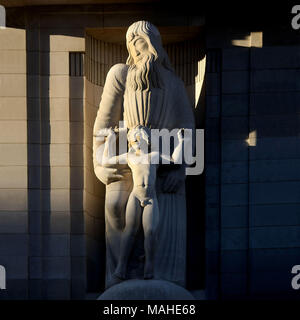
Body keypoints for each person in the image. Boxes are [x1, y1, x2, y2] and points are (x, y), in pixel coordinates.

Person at [93, 20, 195, 288]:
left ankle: (160, 278)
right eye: (136, 42)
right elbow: (103, 128)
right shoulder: (120, 74)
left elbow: (188, 129)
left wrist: (180, 169)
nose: (143, 47)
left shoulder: (173, 82)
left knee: (158, 228)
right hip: (127, 156)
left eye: (147, 40)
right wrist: (100, 164)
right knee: (116, 210)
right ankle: (120, 278)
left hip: (162, 166)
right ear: (130, 47)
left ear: (157, 43)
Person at [95, 126, 188, 279]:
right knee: (129, 230)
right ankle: (121, 267)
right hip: (136, 196)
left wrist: (182, 141)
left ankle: (149, 267)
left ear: (146, 140)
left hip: (151, 197)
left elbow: (176, 161)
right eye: (132, 140)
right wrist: (110, 139)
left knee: (150, 231)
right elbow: (106, 161)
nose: (135, 143)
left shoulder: (154, 156)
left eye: (138, 139)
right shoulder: (131, 157)